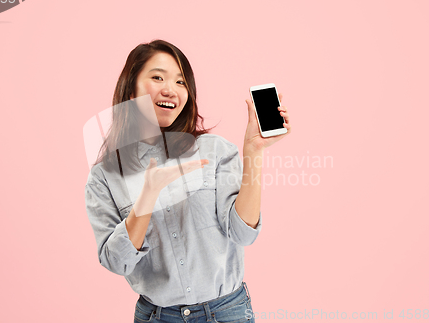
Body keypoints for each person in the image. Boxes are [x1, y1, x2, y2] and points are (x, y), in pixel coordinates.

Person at [84, 39, 291, 323]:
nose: (170, 89)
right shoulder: (104, 176)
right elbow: (116, 261)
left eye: (181, 82)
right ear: (130, 87)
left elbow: (243, 234)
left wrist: (253, 152)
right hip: (157, 317)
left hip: (227, 313)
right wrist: (148, 195)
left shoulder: (215, 151)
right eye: (157, 77)